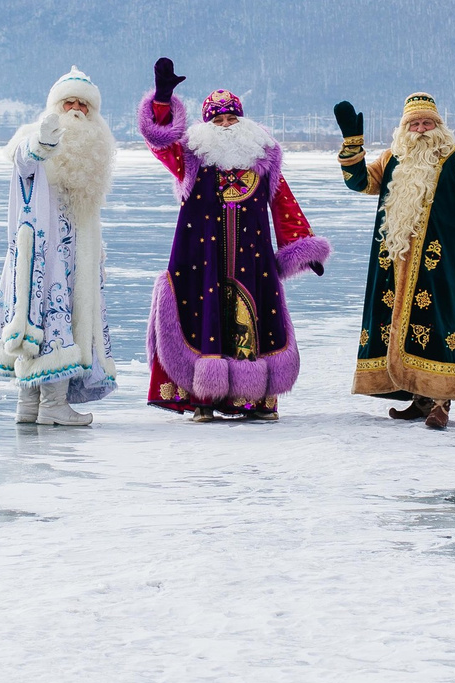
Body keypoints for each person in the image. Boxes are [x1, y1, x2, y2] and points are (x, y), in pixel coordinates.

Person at [138, 57, 329, 421]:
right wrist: (162, 100)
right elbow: (159, 140)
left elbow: (283, 204)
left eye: (231, 119)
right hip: (199, 258)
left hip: (252, 260)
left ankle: (252, 400)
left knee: (253, 321)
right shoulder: (191, 157)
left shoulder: (264, 159)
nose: (225, 126)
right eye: (218, 120)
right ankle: (202, 400)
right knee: (200, 320)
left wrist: (303, 247)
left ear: (243, 122)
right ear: (206, 125)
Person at [334, 91, 455, 429]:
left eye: (427, 122)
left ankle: (441, 401)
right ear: (404, 129)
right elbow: (359, 183)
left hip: (442, 262)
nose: (421, 129)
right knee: (398, 327)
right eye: (414, 123)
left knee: (442, 325)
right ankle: (419, 398)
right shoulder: (393, 158)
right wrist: (352, 145)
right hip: (394, 262)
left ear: (439, 126)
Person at [0, 67, 118, 426]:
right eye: (68, 101)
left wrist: (95, 250)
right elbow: (25, 158)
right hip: (46, 254)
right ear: (55, 105)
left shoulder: (93, 152)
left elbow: (86, 212)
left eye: (83, 104)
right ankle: (49, 404)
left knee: (52, 317)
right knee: (48, 317)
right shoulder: (38, 137)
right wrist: (40, 142)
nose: (75, 109)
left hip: (76, 257)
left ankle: (32, 406)